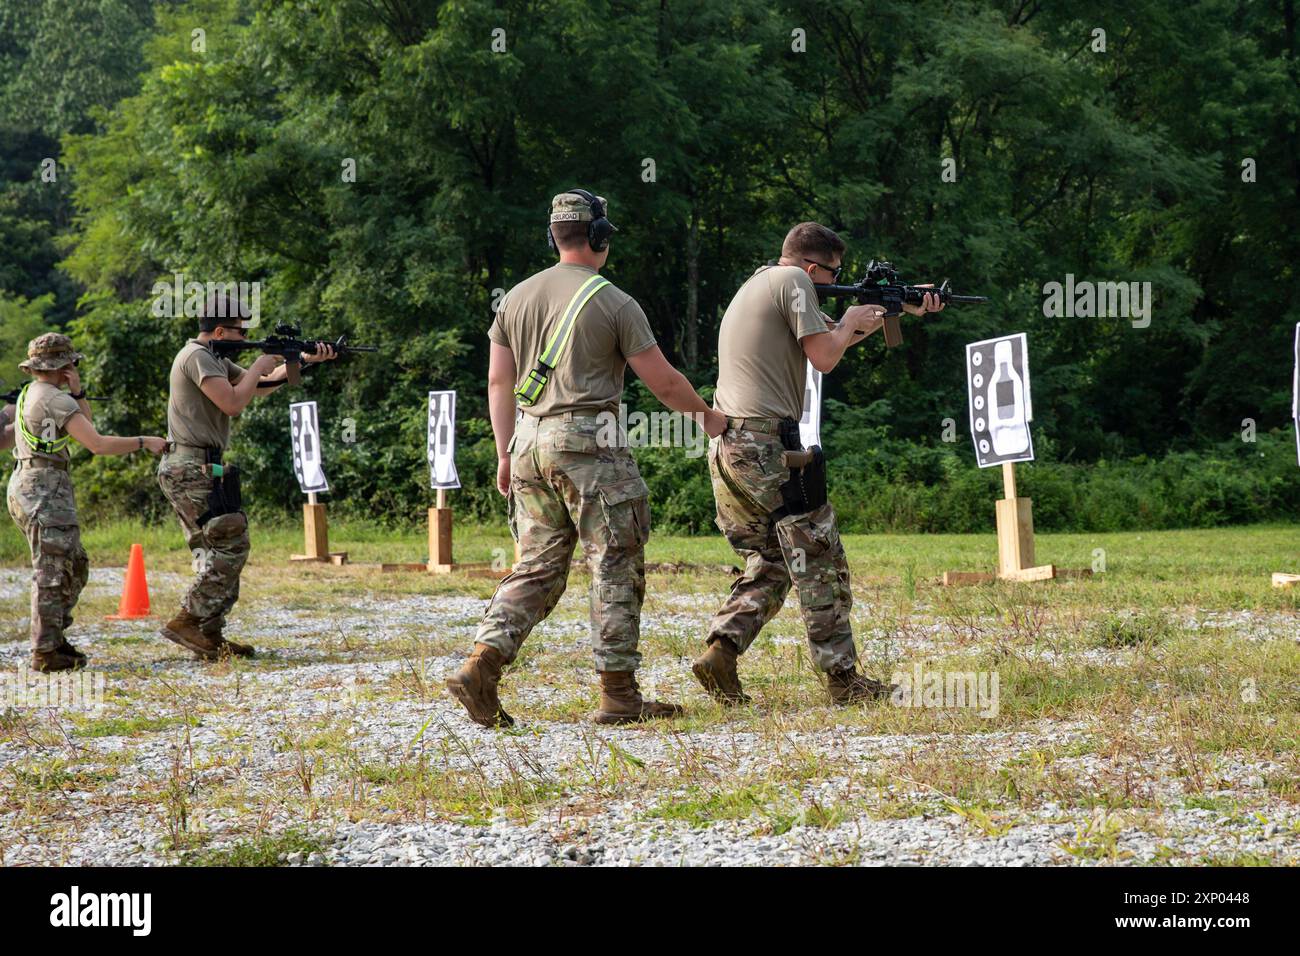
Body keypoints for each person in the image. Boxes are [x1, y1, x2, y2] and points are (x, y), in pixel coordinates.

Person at [447, 189, 727, 727]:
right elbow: (664, 382)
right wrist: (709, 420)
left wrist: (505, 452)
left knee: (536, 565)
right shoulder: (614, 301)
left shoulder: (515, 298)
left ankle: (481, 663)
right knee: (614, 561)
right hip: (588, 443)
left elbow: (497, 381)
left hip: (527, 440)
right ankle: (619, 694)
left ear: (552, 236)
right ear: (598, 237)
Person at [692, 222, 943, 706]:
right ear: (812, 267)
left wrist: (897, 310)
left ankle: (721, 653)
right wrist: (850, 319)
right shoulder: (796, 283)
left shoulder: (763, 283)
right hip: (765, 445)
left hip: (733, 445)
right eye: (832, 275)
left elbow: (829, 339)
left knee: (772, 560)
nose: (832, 284)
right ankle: (843, 680)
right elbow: (826, 357)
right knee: (819, 554)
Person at [157, 293, 336, 661]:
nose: (244, 338)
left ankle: (208, 634)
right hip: (190, 466)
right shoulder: (197, 357)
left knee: (217, 547)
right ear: (220, 330)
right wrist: (258, 363)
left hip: (201, 466)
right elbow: (234, 403)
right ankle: (188, 619)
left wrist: (303, 360)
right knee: (231, 544)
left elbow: (264, 384)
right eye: (240, 332)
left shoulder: (215, 358)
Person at [5, 333, 167, 672]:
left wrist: (77, 393)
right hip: (45, 488)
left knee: (72, 565)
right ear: (63, 365)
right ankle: (45, 650)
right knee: (51, 570)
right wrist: (144, 442)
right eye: (71, 363)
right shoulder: (54, 399)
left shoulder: (31, 394)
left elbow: (84, 424)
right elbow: (96, 442)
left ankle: (53, 639)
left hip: (32, 483)